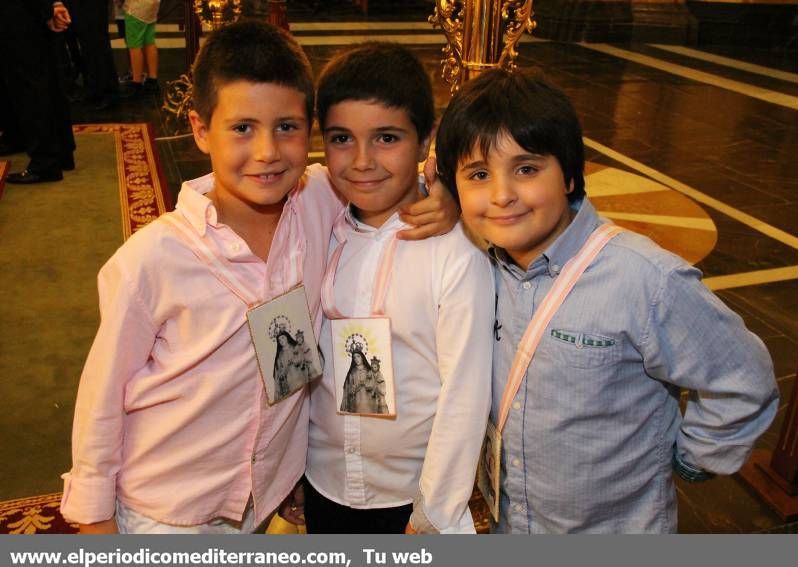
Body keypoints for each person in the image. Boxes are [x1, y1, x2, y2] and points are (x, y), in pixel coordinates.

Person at [60, 21, 456, 534]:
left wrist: (441, 190)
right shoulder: (151, 260)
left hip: (261, 503)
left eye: (287, 127)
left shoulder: (320, 201)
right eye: (242, 128)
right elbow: (101, 401)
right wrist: (96, 524)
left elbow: (386, 172)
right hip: (167, 510)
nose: (268, 151)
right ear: (201, 130)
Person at [434, 68, 779, 533]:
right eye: (478, 174)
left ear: (571, 176)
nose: (502, 195)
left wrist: (696, 455)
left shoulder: (644, 280)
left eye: (527, 169)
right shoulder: (478, 263)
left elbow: (744, 375)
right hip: (513, 524)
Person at [305, 43, 494, 534]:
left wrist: (435, 509)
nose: (362, 161)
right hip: (323, 480)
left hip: (408, 497)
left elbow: (465, 393)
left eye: (386, 138)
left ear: (426, 139)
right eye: (341, 138)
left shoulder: (453, 252)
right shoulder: (317, 217)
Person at [0, 1, 75, 184]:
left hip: (20, 14)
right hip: (25, 13)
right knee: (39, 79)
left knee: (30, 85)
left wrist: (47, 10)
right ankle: (58, 152)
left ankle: (46, 162)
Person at [118, 0, 161, 94]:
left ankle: (136, 82)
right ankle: (152, 80)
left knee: (134, 46)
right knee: (149, 42)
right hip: (153, 5)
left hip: (136, 8)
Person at [273, 330, 303, 399]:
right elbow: (279, 369)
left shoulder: (295, 347)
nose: (281, 341)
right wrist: (281, 373)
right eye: (279, 340)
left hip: (300, 377)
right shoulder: (280, 355)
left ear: (287, 337)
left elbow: (301, 358)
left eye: (283, 337)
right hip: (289, 382)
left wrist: (294, 361)